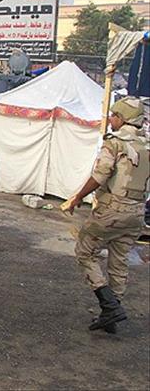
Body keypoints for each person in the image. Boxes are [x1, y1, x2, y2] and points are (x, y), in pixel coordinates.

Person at [65, 96, 148, 333]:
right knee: (119, 261)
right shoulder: (146, 145)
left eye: (114, 115)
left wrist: (78, 197)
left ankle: (109, 305)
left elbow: (100, 175)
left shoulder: (115, 143)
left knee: (84, 251)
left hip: (112, 210)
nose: (111, 119)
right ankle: (111, 315)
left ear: (122, 118)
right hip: (136, 212)